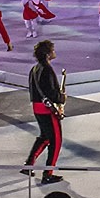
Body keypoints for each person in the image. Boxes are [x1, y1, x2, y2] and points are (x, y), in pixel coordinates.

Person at [22, 40, 66, 184]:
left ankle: (29, 164)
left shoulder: (34, 69)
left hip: (37, 107)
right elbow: (52, 93)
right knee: (56, 141)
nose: (54, 52)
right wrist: (61, 98)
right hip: (47, 110)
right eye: (52, 50)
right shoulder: (47, 70)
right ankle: (48, 173)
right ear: (48, 54)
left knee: (45, 137)